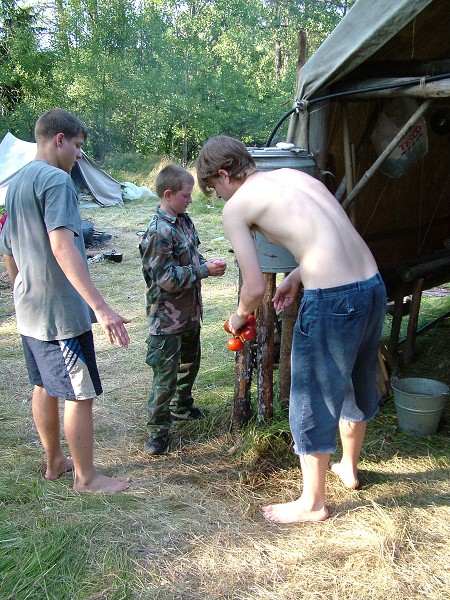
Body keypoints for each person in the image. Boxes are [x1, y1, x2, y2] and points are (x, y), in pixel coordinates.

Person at [196, 135, 387, 523]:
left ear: (223, 175)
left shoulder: (238, 207)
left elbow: (252, 287)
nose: (219, 199)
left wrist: (237, 317)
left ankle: (312, 503)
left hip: (334, 300)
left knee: (312, 393)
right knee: (356, 379)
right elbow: (335, 236)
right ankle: (348, 467)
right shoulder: (298, 177)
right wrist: (298, 275)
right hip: (371, 286)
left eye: (214, 190)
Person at [0, 108, 131, 493]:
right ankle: (86, 478)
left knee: (44, 385)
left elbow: (8, 251)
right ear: (60, 139)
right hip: (58, 313)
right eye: (77, 146)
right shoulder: (56, 181)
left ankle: (56, 462)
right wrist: (101, 308)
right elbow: (62, 245)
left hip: (30, 308)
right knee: (79, 391)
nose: (77, 154)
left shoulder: (18, 182)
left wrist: (22, 288)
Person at [139, 164, 226, 455]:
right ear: (168, 194)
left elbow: (191, 255)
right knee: (165, 377)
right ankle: (157, 433)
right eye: (186, 195)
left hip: (189, 313)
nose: (190, 200)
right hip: (166, 319)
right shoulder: (158, 232)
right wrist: (203, 270)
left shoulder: (183, 221)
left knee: (190, 363)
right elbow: (165, 279)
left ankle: (183, 406)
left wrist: (205, 263)